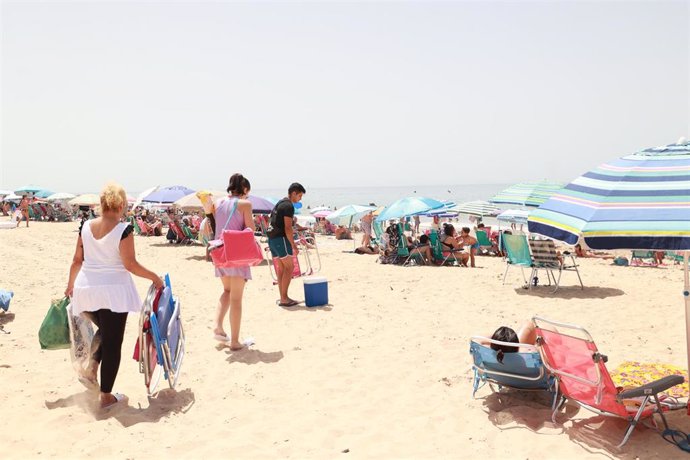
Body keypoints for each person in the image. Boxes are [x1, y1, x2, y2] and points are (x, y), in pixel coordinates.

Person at [65, 183, 163, 409]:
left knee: (106, 332)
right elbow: (130, 265)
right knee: (113, 342)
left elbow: (76, 261)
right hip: (113, 293)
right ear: (121, 205)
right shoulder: (124, 229)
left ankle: (92, 368)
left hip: (85, 290)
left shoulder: (86, 226)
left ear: (102, 204)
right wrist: (154, 277)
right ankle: (106, 395)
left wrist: (70, 286)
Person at [212, 173, 256, 350]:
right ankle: (235, 341)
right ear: (244, 189)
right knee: (236, 299)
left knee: (227, 291)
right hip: (236, 255)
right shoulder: (245, 204)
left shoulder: (218, 203)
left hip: (220, 252)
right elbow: (250, 229)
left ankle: (217, 326)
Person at [267, 182, 306, 307]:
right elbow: (288, 228)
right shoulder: (288, 206)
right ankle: (284, 298)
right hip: (280, 239)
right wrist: (293, 245)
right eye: (299, 196)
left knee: (282, 268)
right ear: (293, 193)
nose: (300, 198)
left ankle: (283, 297)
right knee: (289, 268)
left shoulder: (279, 203)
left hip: (272, 239)